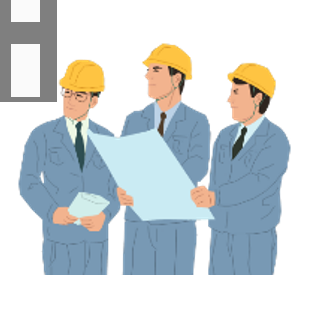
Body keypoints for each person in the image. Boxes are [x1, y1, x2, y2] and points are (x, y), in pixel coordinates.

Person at [113, 44, 212, 275]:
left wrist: (148, 179)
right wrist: (117, 189)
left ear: (176, 79)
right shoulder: (133, 120)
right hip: (138, 225)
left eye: (156, 70)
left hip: (176, 227)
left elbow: (197, 167)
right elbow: (121, 167)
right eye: (148, 70)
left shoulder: (197, 122)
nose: (147, 76)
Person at [19, 60, 117, 273]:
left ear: (94, 101)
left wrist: (106, 215)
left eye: (79, 95)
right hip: (59, 241)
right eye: (67, 92)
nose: (70, 101)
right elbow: (28, 182)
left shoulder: (108, 138)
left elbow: (119, 185)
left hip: (96, 242)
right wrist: (52, 211)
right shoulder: (42, 135)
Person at [200, 63, 290, 274]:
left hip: (254, 238)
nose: (229, 100)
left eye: (236, 93)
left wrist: (215, 197)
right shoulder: (224, 136)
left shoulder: (275, 139)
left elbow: (258, 182)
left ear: (257, 98)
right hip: (220, 235)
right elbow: (216, 180)